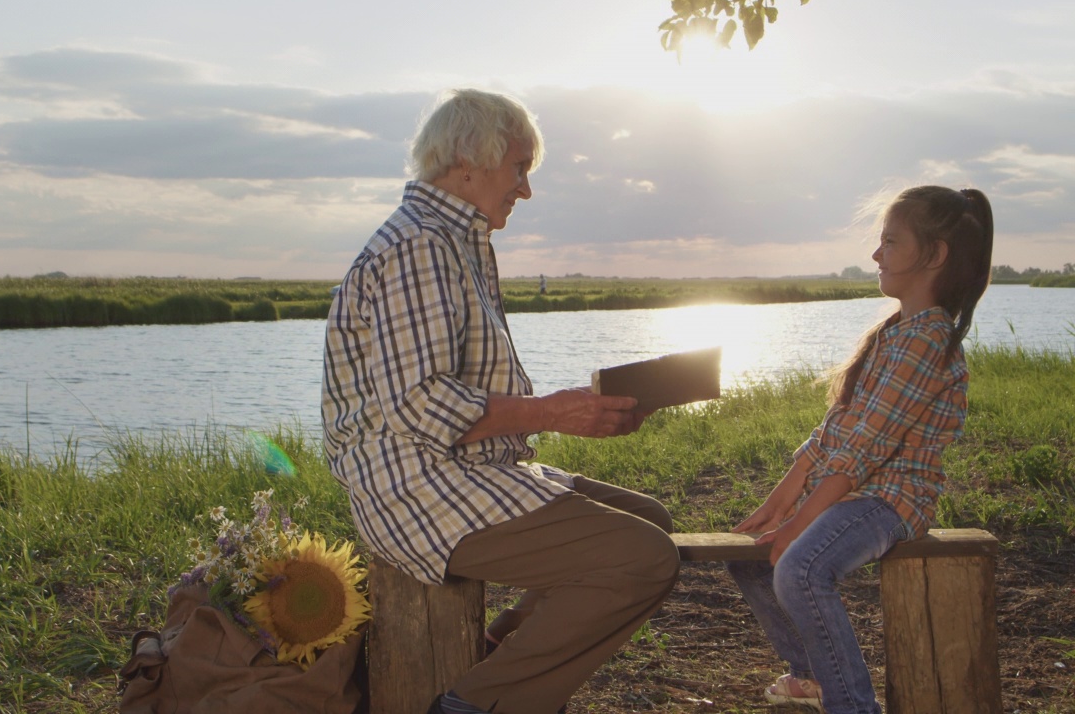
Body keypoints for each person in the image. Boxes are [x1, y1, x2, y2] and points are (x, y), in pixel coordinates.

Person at [321, 89, 680, 714]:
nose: (526, 189)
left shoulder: (456, 242)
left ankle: (498, 649)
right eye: (519, 169)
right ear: (468, 161)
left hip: (461, 469)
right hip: (416, 486)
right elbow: (421, 403)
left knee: (652, 519)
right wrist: (552, 413)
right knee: (643, 558)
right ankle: (474, 704)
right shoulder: (421, 246)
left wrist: (584, 412)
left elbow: (453, 392)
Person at [727, 186, 994, 713]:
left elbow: (867, 449)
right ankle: (815, 677)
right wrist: (784, 496)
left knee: (801, 568)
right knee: (750, 558)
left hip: (890, 499)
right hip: (853, 491)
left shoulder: (928, 340)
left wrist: (801, 520)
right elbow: (838, 427)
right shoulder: (894, 332)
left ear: (934, 256)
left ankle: (852, 704)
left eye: (890, 242)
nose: (875, 255)